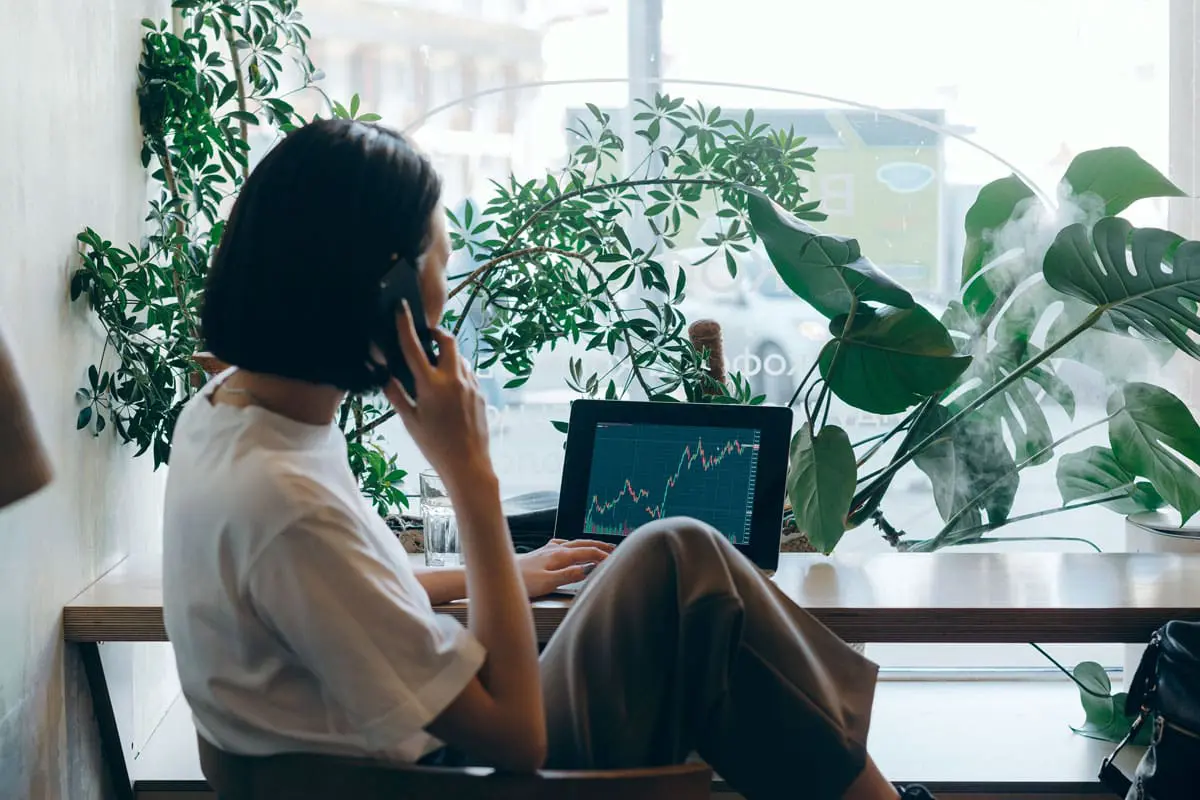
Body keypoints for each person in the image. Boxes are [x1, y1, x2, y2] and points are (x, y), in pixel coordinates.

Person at [161, 118, 935, 800]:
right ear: (385, 291)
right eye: (441, 254)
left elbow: (344, 593)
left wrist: (496, 576)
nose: (451, 280)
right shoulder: (288, 502)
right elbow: (516, 734)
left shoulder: (230, 414)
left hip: (403, 753)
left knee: (679, 555)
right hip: (455, 778)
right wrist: (471, 477)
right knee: (696, 579)